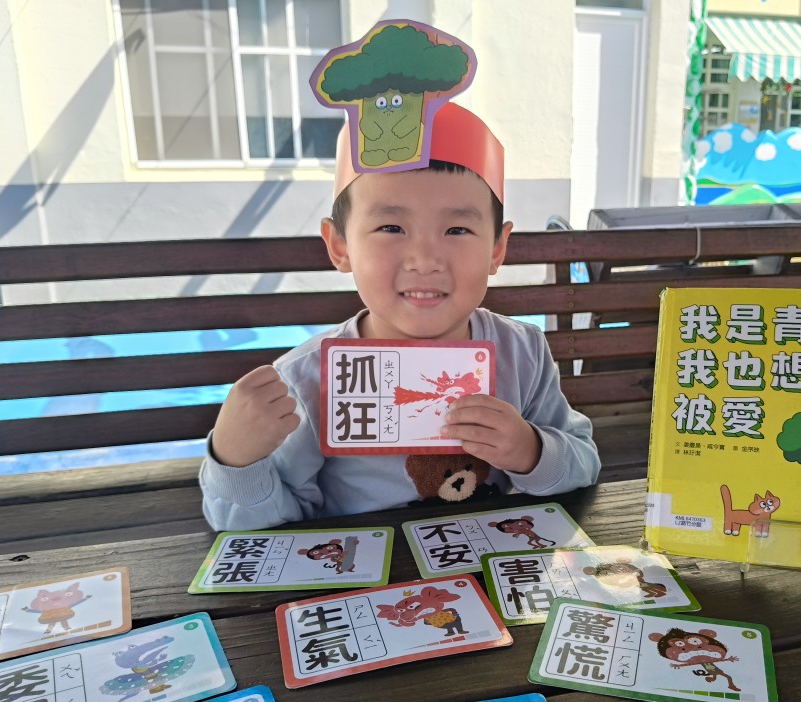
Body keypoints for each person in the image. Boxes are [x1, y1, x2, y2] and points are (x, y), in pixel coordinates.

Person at [199, 33, 599, 532]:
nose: (425, 259)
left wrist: (531, 450)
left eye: (457, 230)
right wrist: (236, 460)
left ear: (497, 248)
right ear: (340, 246)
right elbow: (257, 529)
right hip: (364, 572)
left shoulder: (523, 353)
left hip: (489, 564)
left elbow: (582, 460)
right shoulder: (307, 381)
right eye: (391, 227)